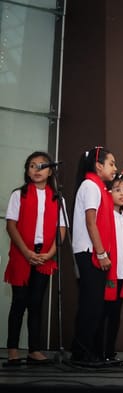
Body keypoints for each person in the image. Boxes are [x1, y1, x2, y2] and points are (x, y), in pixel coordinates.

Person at [4, 151, 67, 366]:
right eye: (32, 166)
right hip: (23, 254)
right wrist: (26, 252)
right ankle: (13, 350)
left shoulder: (57, 198)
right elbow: (11, 225)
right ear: (27, 171)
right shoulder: (18, 195)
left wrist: (49, 254)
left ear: (50, 171)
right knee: (19, 302)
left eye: (41, 166)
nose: (36, 170)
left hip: (45, 255)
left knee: (37, 303)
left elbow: (61, 229)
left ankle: (34, 350)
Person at [70, 146, 118, 365]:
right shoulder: (90, 185)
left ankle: (86, 351)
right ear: (98, 166)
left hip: (95, 251)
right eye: (111, 164)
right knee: (91, 305)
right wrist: (101, 253)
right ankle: (81, 353)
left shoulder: (99, 187)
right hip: (89, 251)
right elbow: (91, 221)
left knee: (94, 305)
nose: (115, 169)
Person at [93, 170, 123, 365]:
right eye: (117, 190)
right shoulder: (105, 215)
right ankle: (97, 351)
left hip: (121, 274)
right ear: (107, 192)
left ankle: (110, 352)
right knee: (101, 313)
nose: (122, 194)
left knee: (115, 315)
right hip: (105, 270)